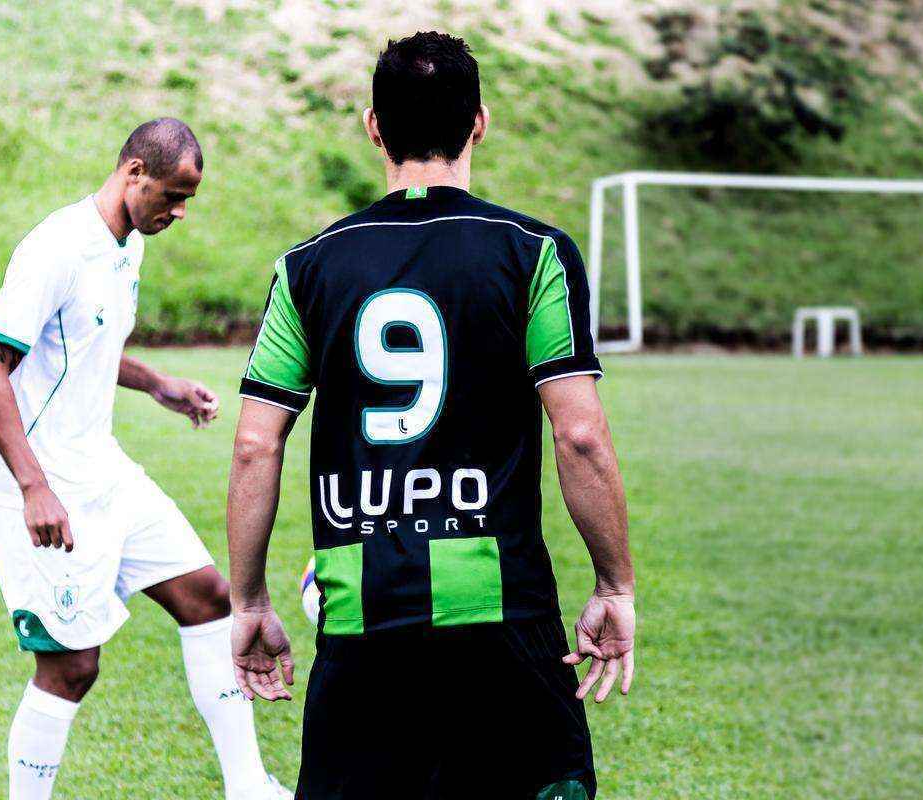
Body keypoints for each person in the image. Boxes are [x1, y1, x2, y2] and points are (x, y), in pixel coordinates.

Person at [225, 33, 636, 800]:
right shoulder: (532, 252)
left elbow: (255, 444)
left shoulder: (308, 266)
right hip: (500, 612)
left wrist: (248, 603)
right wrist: (614, 586)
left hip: (360, 613)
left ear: (373, 126)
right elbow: (578, 434)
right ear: (480, 122)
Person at [0, 118, 291, 800]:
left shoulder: (127, 246)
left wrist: (157, 385)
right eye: (171, 195)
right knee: (71, 666)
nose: (176, 212)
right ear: (133, 172)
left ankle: (248, 788)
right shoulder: (56, 248)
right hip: (41, 485)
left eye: (187, 201)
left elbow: (90, 345)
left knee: (210, 598)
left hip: (103, 470)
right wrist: (35, 489)